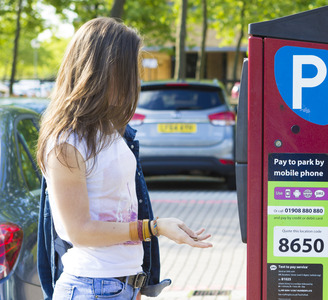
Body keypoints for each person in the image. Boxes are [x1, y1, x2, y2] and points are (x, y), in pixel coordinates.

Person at [36, 17, 212, 300]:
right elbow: (79, 231)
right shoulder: (65, 142)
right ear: (104, 71)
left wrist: (135, 281)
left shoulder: (111, 131)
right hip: (91, 287)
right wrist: (154, 228)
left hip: (121, 286)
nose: (137, 79)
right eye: (130, 69)